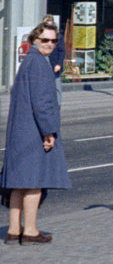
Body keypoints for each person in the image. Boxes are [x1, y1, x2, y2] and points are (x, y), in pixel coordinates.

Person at [2, 22, 70, 245]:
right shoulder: (40, 64)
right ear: (34, 40)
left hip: (20, 131)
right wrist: (48, 132)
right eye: (45, 40)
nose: (50, 44)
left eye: (53, 41)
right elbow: (43, 103)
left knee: (18, 182)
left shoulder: (28, 61)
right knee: (34, 182)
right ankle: (30, 230)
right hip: (33, 131)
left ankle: (13, 230)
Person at [43, 15, 65, 107]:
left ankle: (57, 105)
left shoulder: (58, 36)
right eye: (46, 25)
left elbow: (62, 51)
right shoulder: (41, 36)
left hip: (54, 63)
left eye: (50, 25)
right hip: (44, 63)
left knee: (56, 87)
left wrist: (59, 64)